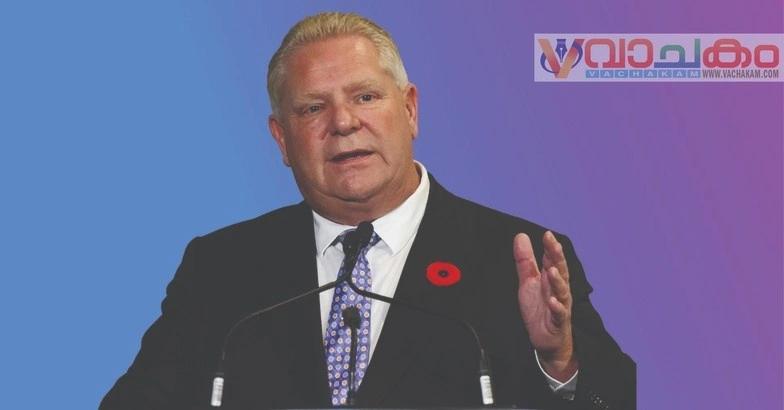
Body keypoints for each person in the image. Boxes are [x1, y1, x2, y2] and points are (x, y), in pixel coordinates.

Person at [101, 12, 635, 410]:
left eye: (365, 97)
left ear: (410, 110)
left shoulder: (518, 257)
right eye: (313, 108)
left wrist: (560, 361)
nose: (343, 123)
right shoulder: (222, 267)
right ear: (281, 139)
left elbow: (616, 398)